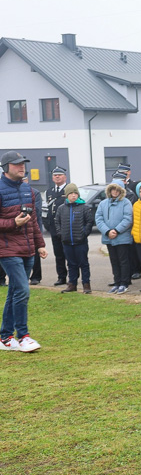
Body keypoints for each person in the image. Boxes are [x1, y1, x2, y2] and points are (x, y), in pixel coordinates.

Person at [0, 151, 47, 352]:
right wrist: (12, 223)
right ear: (6, 167)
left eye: (23, 163)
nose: (22, 167)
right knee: (23, 291)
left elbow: (34, 221)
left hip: (28, 249)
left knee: (15, 292)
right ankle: (24, 336)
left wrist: (40, 244)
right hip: (7, 248)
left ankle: (5, 337)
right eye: (17, 164)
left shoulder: (28, 189)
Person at [55, 183, 94, 294]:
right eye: (71, 193)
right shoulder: (61, 208)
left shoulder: (84, 208)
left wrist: (84, 233)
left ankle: (86, 284)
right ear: (66, 195)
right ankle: (72, 284)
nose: (73, 195)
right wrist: (61, 234)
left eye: (75, 193)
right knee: (71, 264)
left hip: (80, 241)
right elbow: (57, 221)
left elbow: (89, 222)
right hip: (67, 241)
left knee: (84, 263)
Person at [95, 182, 134, 294]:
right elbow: (99, 219)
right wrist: (107, 231)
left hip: (122, 237)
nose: (115, 192)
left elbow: (128, 219)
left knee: (123, 260)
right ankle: (117, 282)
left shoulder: (126, 203)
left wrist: (116, 230)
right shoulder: (103, 204)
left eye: (117, 190)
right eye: (113, 189)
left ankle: (124, 283)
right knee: (114, 260)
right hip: (109, 237)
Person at [45, 166, 69, 286]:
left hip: (66, 227)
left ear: (65, 177)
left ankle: (72, 276)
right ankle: (61, 277)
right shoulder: (50, 191)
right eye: (55, 175)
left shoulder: (69, 190)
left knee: (69, 253)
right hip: (54, 228)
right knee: (58, 254)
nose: (57, 177)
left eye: (59, 175)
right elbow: (48, 210)